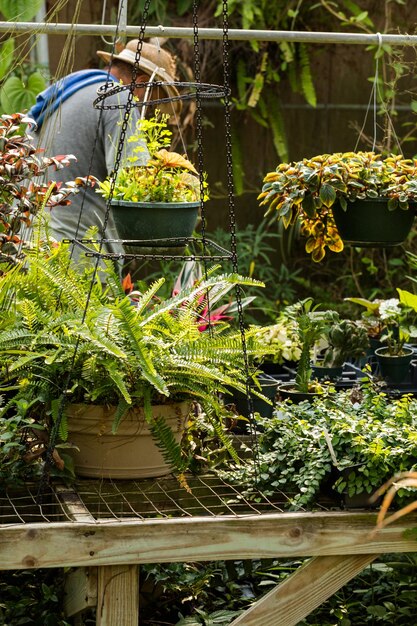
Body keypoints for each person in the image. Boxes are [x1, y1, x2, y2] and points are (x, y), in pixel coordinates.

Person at [28, 39, 181, 258]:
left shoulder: (71, 91)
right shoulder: (120, 98)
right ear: (142, 84)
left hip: (35, 247)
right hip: (80, 256)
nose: (147, 113)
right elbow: (133, 180)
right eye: (153, 102)